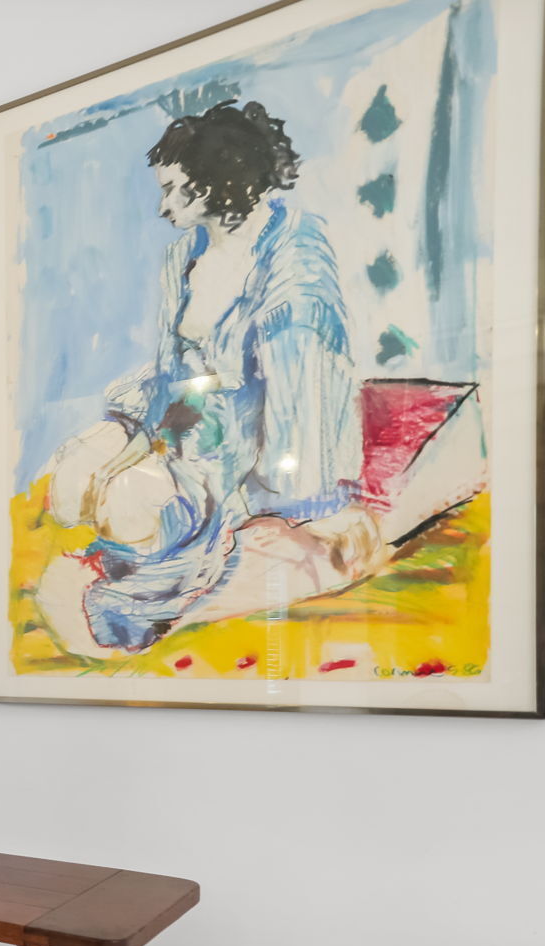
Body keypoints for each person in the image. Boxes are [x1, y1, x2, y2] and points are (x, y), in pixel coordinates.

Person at [37, 99, 383, 659]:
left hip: (241, 440)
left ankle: (154, 577)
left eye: (177, 190)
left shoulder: (293, 256)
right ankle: (140, 543)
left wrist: (311, 504)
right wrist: (130, 435)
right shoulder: (184, 256)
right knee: (69, 486)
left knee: (125, 500)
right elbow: (170, 365)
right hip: (176, 416)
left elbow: (305, 384)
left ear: (218, 186)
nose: (164, 207)